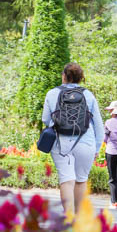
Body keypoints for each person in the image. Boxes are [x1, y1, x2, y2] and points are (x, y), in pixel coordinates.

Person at [41, 62, 104, 217]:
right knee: (81, 180)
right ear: (81, 78)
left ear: (64, 76)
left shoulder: (52, 93)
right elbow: (99, 126)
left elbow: (45, 119)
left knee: (66, 180)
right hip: (85, 141)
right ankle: (79, 219)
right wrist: (96, 148)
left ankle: (68, 218)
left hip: (60, 142)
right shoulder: (88, 95)